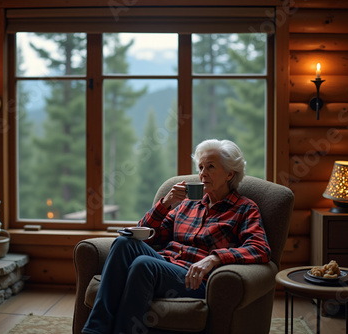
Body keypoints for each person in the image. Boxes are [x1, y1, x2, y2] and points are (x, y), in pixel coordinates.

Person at [82, 139, 271, 334]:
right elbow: (146, 236)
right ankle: (94, 330)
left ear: (230, 173)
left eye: (211, 167)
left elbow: (260, 249)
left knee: (143, 264)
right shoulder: (187, 204)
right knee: (124, 242)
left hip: (195, 279)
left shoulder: (244, 209)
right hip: (165, 265)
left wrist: (214, 258)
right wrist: (166, 202)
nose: (203, 173)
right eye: (201, 167)